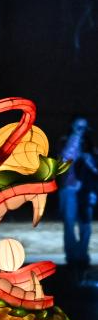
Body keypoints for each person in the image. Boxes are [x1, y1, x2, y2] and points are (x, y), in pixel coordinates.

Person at [57, 114, 98, 278]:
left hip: (86, 190)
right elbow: (65, 158)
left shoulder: (89, 145)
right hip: (69, 188)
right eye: (78, 126)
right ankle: (72, 257)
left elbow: (95, 168)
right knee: (69, 223)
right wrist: (75, 138)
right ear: (72, 127)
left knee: (85, 225)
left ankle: (82, 256)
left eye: (84, 127)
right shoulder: (64, 141)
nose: (82, 130)